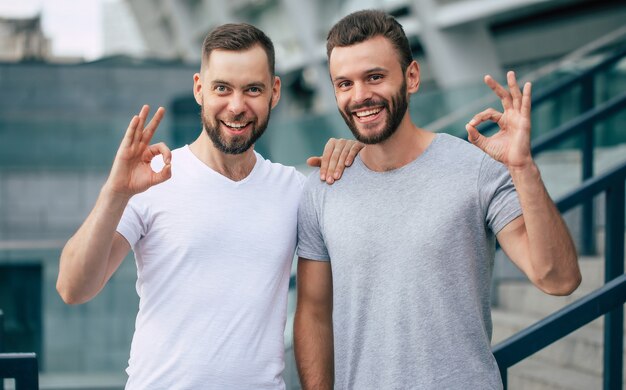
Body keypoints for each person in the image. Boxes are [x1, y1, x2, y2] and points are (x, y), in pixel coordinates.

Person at [56, 23, 362, 389]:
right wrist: (115, 192)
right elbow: (73, 288)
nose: (236, 106)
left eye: (252, 89)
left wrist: (359, 156)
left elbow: (340, 292)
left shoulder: (295, 190)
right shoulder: (153, 180)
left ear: (274, 92)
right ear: (199, 88)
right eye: (222, 88)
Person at [294, 10, 581, 390]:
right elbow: (313, 312)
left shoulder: (475, 169)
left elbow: (558, 278)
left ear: (411, 77)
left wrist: (524, 168)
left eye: (375, 77)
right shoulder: (324, 187)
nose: (360, 95)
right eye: (344, 83)